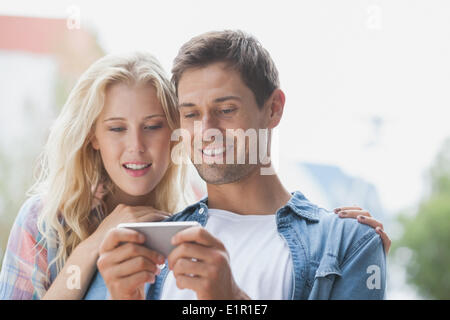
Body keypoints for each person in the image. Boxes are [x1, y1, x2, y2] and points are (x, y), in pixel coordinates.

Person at [97, 30, 389, 300]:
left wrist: (232, 300)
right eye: (191, 114)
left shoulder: (348, 242)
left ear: (273, 108)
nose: (206, 130)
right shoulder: (151, 245)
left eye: (226, 110)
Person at [0, 52, 193, 299]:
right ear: (93, 136)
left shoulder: (191, 226)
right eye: (116, 128)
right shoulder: (42, 222)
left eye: (152, 126)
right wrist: (95, 242)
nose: (136, 145)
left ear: (174, 132)